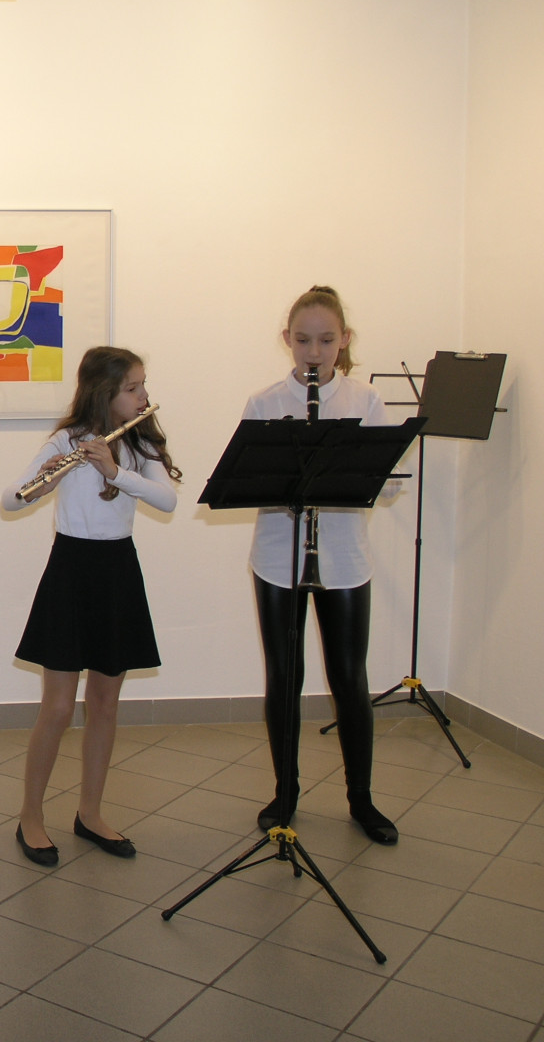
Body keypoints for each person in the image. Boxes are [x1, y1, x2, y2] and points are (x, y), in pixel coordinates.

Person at [2, 347, 180, 866]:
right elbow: (10, 499)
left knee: (104, 703)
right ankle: (31, 817)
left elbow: (167, 500)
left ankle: (91, 814)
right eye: (133, 388)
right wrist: (49, 480)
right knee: (58, 708)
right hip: (71, 569)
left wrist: (115, 470)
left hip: (117, 570)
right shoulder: (66, 440)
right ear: (104, 393)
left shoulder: (140, 442)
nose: (143, 396)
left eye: (143, 386)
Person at [244, 285, 400, 845]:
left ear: (344, 341)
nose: (314, 352)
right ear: (287, 339)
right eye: (304, 340)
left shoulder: (366, 400)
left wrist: (350, 476)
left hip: (344, 556)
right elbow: (250, 481)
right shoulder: (264, 402)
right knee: (284, 677)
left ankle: (362, 798)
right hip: (277, 556)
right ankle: (285, 792)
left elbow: (385, 486)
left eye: (326, 341)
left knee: (349, 678)